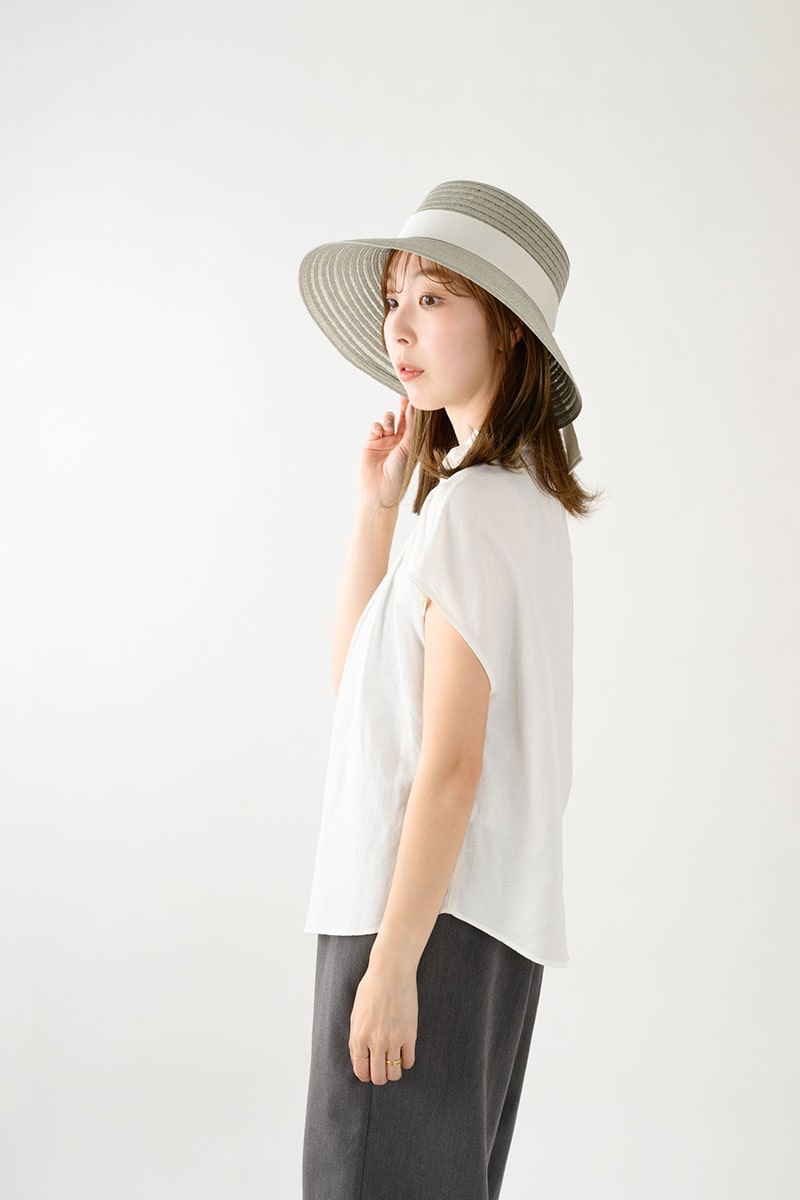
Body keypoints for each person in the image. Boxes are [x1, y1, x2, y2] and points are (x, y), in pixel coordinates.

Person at [296, 179, 603, 1200]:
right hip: (472, 923)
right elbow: (361, 700)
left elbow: (452, 763)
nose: (399, 326)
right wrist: (376, 510)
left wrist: (390, 964)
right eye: (396, 299)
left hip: (416, 917)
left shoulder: (474, 512)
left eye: (432, 298)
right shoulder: (514, 507)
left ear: (507, 328)